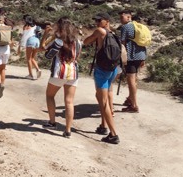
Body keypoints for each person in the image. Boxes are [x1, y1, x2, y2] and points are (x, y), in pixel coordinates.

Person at [83, 12, 121, 144]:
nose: (97, 23)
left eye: (99, 20)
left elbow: (86, 41)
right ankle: (103, 126)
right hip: (113, 69)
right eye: (96, 20)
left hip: (102, 70)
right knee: (103, 96)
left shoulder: (100, 31)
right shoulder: (114, 34)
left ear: (107, 21)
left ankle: (113, 134)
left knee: (103, 101)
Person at [43, 18, 82, 137]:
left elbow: (43, 49)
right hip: (73, 73)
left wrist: (45, 35)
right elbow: (78, 57)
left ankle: (52, 122)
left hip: (59, 72)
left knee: (50, 96)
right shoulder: (78, 42)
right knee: (69, 101)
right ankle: (68, 130)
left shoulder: (58, 41)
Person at [118, 10, 147, 113]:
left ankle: (134, 105)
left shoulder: (125, 27)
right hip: (141, 55)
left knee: (131, 80)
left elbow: (122, 43)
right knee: (134, 79)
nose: (121, 20)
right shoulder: (138, 26)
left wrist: (121, 58)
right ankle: (130, 98)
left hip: (131, 56)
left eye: (122, 17)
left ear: (129, 17)